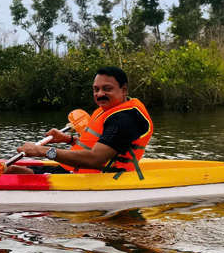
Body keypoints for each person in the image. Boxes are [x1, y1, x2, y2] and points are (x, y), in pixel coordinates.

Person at [9, 66, 153, 176]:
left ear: (124, 90)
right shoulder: (108, 110)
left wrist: (43, 151)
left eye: (107, 89)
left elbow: (95, 158)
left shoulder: (126, 119)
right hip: (75, 171)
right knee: (11, 169)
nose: (100, 94)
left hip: (101, 179)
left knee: (12, 172)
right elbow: (96, 145)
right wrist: (68, 139)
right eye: (96, 89)